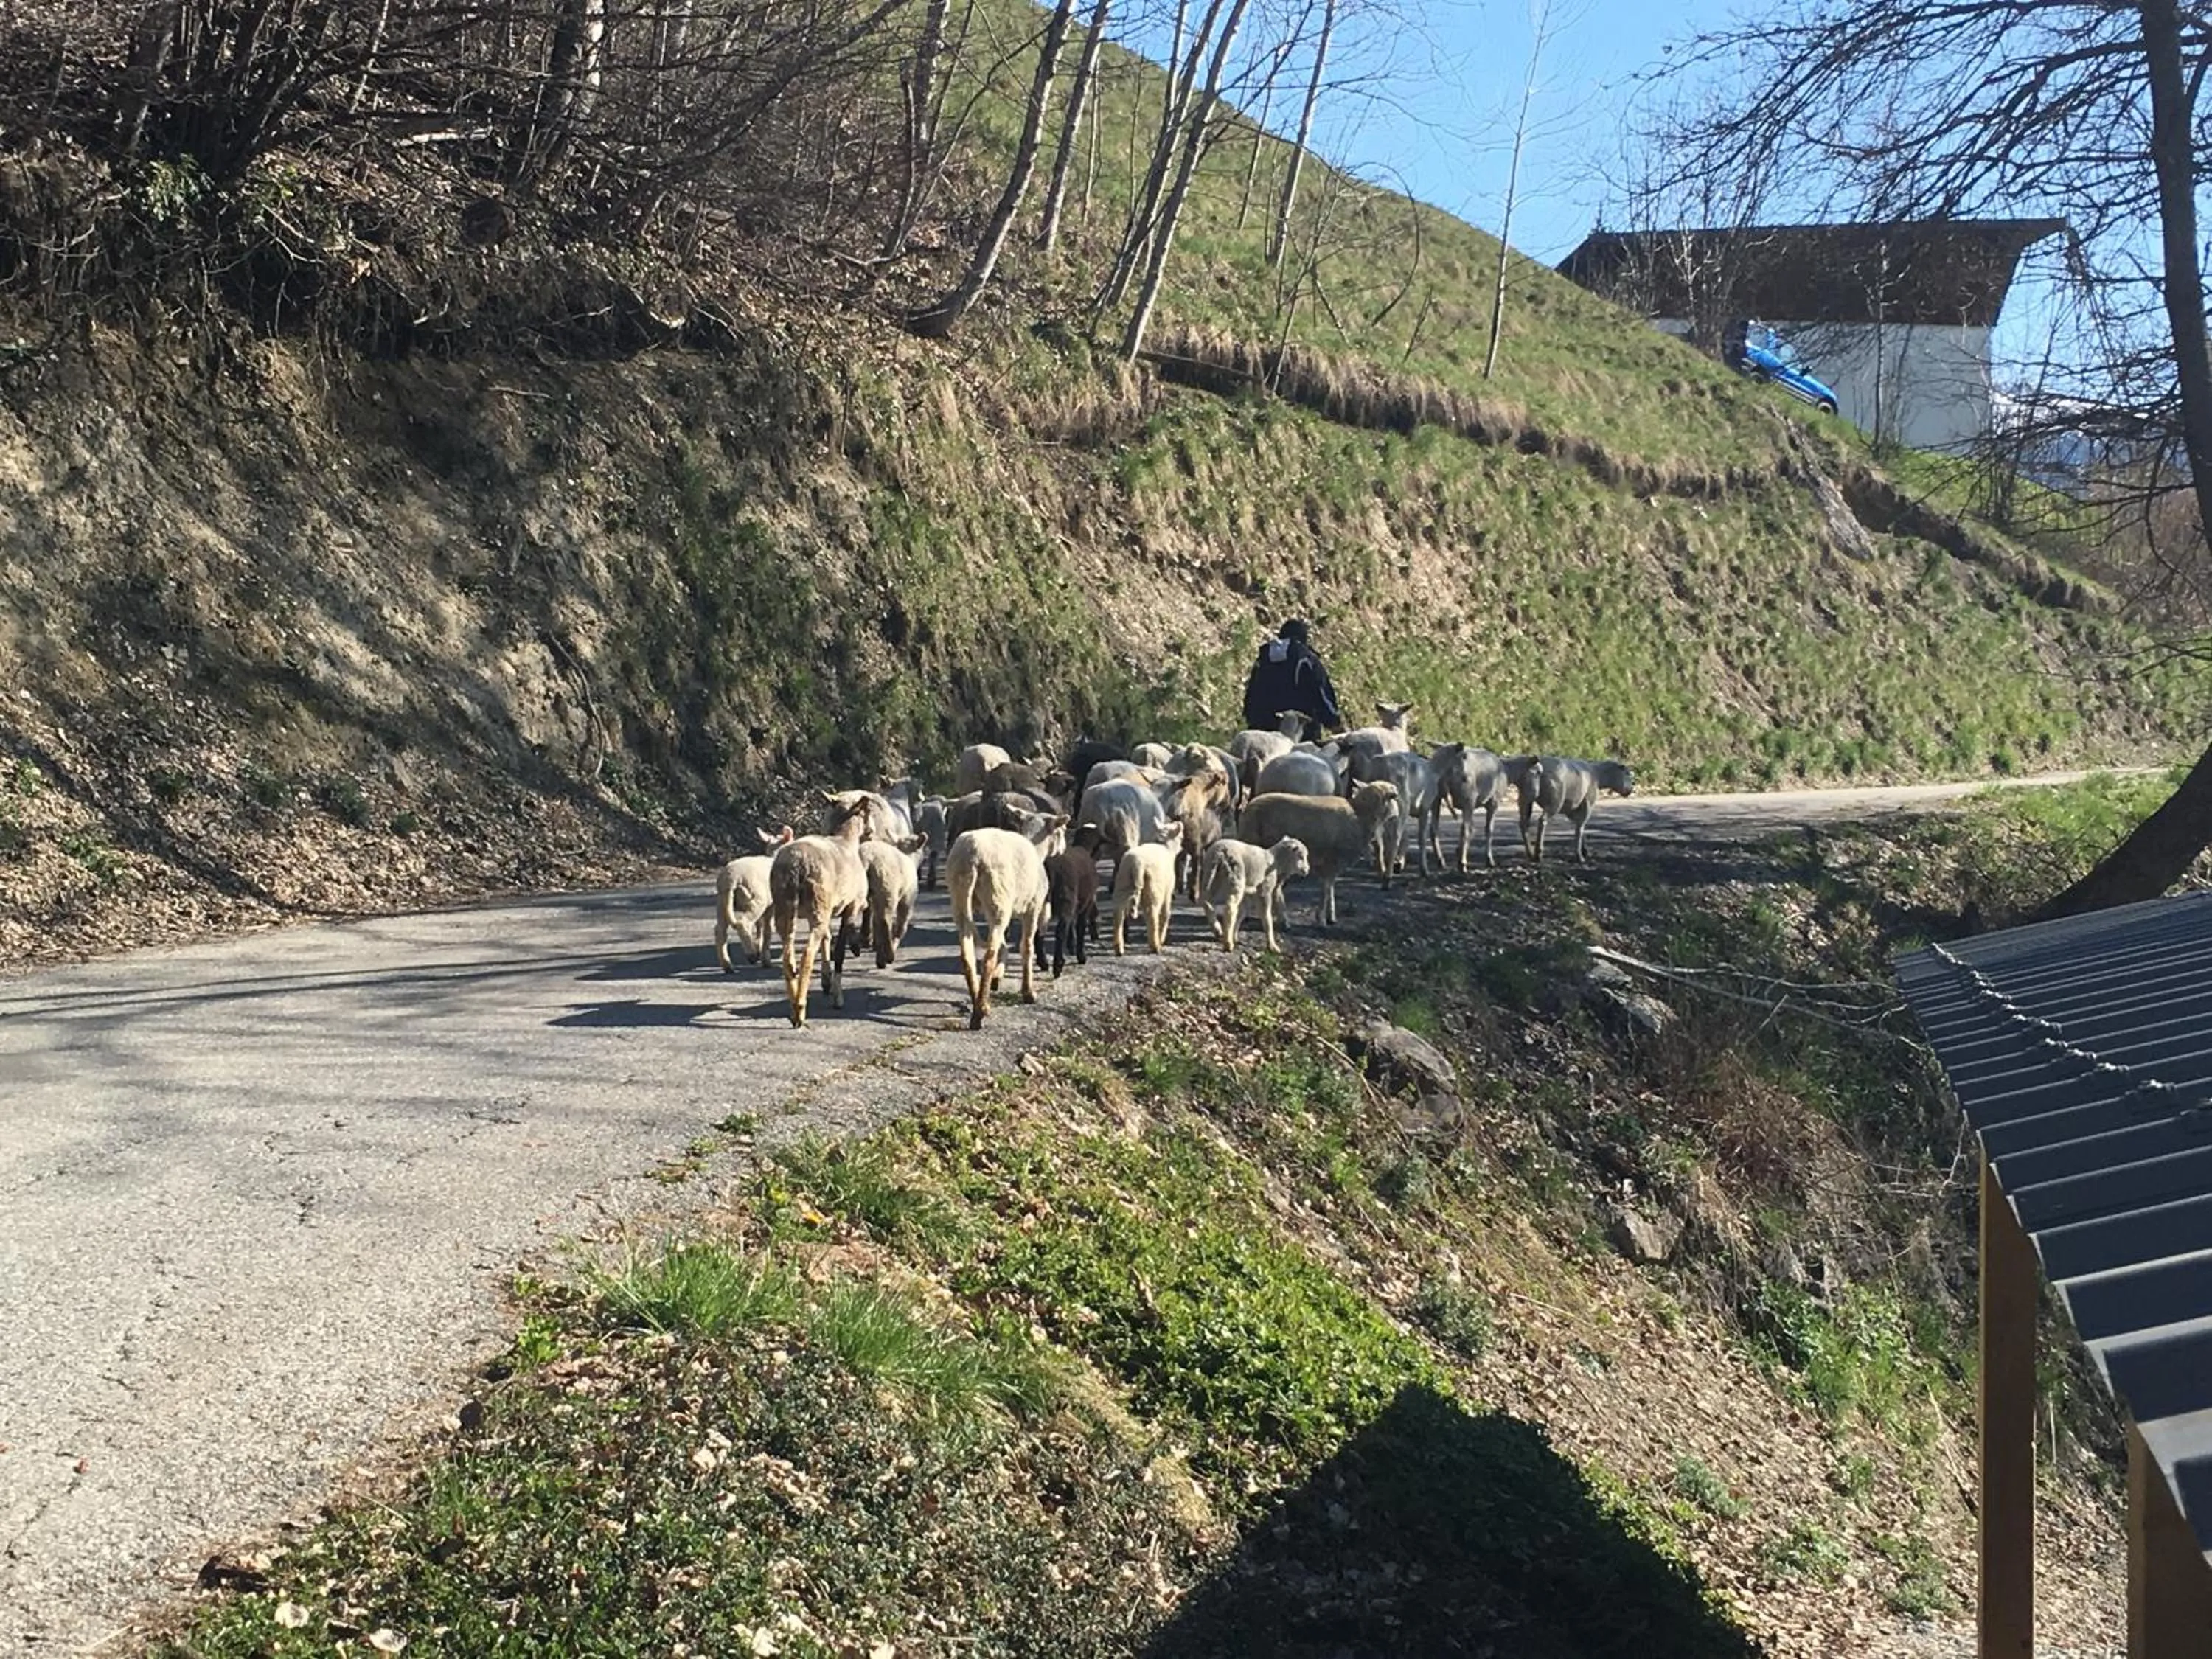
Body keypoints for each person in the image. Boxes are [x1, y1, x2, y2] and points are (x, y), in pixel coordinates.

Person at [1242, 617, 1342, 741]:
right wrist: (1333, 722)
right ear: (1304, 638)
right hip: (1299, 731)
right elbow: (1320, 693)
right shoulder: (1306, 658)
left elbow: (1251, 693)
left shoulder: (1264, 658)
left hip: (1263, 729)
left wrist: (1252, 719)